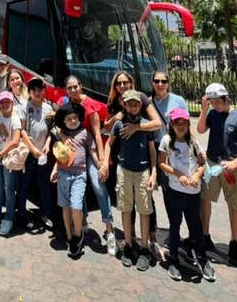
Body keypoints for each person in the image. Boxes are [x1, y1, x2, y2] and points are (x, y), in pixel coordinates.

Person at [102, 71, 163, 258]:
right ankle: (131, 240)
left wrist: (136, 127)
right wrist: (119, 117)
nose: (122, 86)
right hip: (123, 156)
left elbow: (157, 123)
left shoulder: (141, 98)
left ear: (131, 82)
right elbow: (107, 128)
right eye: (118, 83)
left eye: (125, 82)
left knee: (146, 202)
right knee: (126, 202)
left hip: (143, 149)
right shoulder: (114, 103)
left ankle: (150, 240)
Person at [197, 82, 237, 265]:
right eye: (211, 102)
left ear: (226, 99)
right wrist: (204, 110)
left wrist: (236, 162)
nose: (214, 105)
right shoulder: (213, 114)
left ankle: (234, 241)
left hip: (232, 168)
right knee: (206, 199)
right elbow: (200, 129)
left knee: (234, 204)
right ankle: (205, 235)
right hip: (212, 164)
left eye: (216, 102)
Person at [159, 107, 215, 282]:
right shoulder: (167, 141)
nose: (180, 126)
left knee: (196, 226)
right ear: (172, 124)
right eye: (177, 122)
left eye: (183, 122)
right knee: (175, 225)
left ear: (187, 124)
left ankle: (202, 258)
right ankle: (174, 260)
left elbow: (201, 164)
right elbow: (161, 163)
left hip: (193, 192)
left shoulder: (194, 143)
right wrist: (178, 174)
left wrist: (197, 175)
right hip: (175, 191)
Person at [62, 75, 117, 256]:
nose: (73, 90)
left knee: (97, 184)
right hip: (76, 152)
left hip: (92, 149)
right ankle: (82, 219)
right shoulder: (66, 103)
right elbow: (57, 124)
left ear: (81, 86)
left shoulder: (89, 106)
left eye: (75, 87)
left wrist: (102, 162)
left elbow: (97, 134)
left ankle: (109, 229)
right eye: (69, 88)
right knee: (78, 185)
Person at [50, 102, 97, 258]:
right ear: (63, 121)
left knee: (76, 205)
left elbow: (92, 150)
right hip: (63, 174)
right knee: (65, 206)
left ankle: (78, 235)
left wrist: (100, 164)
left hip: (79, 175)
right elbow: (58, 153)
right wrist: (55, 169)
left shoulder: (84, 133)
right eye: (68, 119)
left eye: (74, 118)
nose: (72, 121)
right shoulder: (60, 132)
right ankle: (69, 235)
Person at [149, 70, 188, 252]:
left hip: (172, 149)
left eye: (163, 81)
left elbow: (186, 125)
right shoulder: (149, 102)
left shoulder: (178, 100)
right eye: (156, 81)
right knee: (160, 189)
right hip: (154, 148)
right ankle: (162, 232)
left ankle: (182, 233)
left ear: (168, 83)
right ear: (152, 83)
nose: (160, 84)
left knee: (176, 191)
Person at [17, 77, 55, 231]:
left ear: (44, 91)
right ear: (30, 92)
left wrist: (46, 145)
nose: (37, 93)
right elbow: (22, 131)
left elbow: (52, 131)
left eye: (40, 89)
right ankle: (21, 212)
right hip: (28, 153)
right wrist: (32, 149)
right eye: (34, 90)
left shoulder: (48, 108)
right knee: (24, 184)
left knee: (44, 185)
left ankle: (46, 214)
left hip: (43, 154)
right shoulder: (25, 107)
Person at [0, 92, 22, 236]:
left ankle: (8, 219)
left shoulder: (15, 119)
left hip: (8, 160)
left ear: (12, 103)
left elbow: (15, 141)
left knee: (9, 189)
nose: (4, 105)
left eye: (7, 102)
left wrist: (0, 154)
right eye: (1, 103)